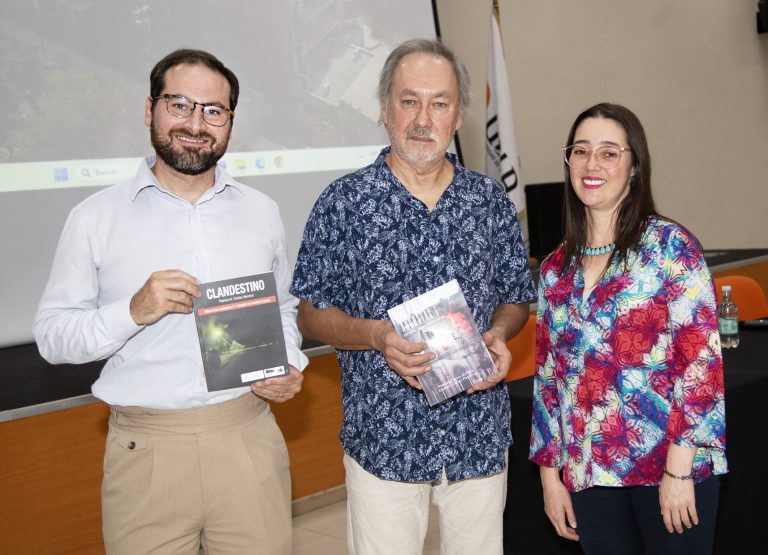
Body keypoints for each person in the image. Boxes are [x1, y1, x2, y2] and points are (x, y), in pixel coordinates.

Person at [34, 49, 307, 554]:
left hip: (247, 436)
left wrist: (288, 363)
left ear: (229, 123)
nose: (196, 124)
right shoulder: (95, 218)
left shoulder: (261, 212)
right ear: (149, 110)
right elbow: (52, 337)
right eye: (179, 105)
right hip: (148, 452)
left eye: (213, 111)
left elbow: (283, 308)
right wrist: (132, 311)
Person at [291, 38, 535, 554]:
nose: (423, 118)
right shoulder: (343, 202)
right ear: (385, 109)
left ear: (459, 115)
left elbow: (516, 297)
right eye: (409, 100)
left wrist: (498, 332)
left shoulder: (489, 201)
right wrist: (376, 335)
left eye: (439, 103)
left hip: (478, 433)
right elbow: (309, 314)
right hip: (383, 433)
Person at [529, 102, 727, 554]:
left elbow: (701, 368)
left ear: (634, 166)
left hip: (670, 466)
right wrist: (549, 477)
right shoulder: (556, 270)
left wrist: (678, 472)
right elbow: (548, 379)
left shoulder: (670, 248)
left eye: (609, 152)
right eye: (580, 151)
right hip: (589, 474)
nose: (591, 164)